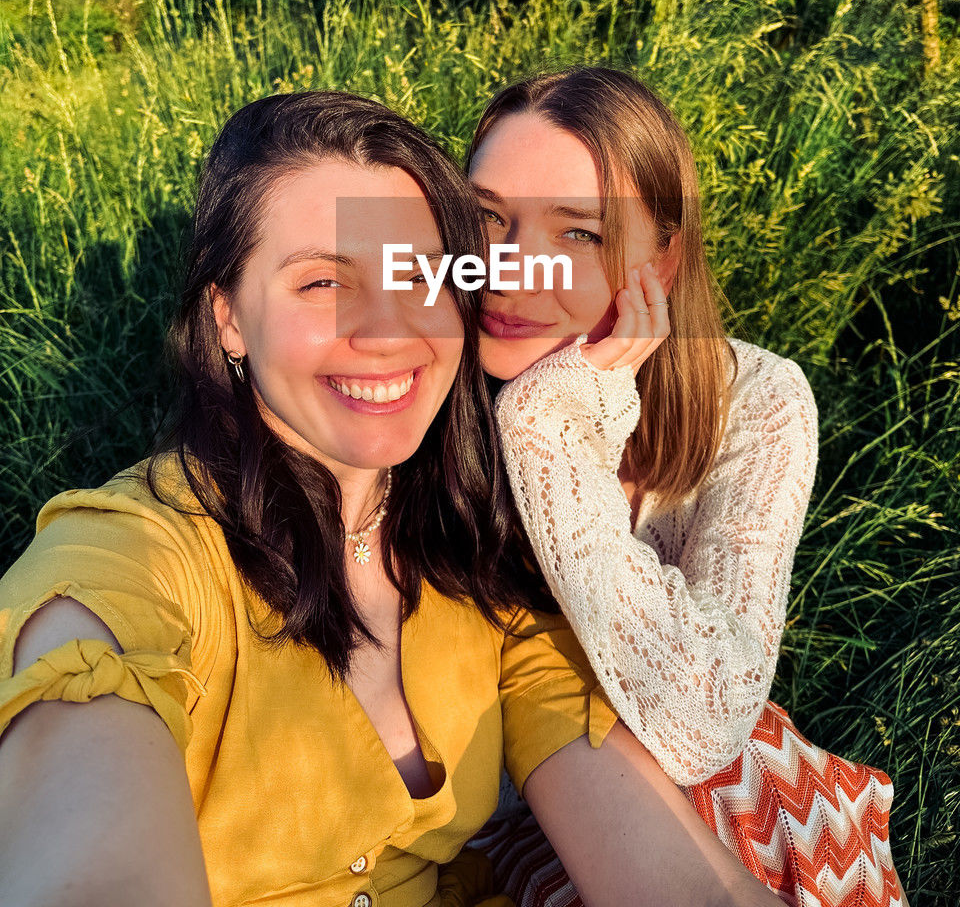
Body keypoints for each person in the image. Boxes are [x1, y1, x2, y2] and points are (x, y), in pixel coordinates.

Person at [0, 90, 781, 907]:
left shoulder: (470, 562)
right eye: (322, 282)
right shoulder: (140, 557)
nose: (386, 331)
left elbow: (685, 877)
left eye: (420, 275)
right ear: (228, 316)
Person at [466, 67, 907, 907]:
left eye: (581, 236)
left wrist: (548, 423)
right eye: (487, 219)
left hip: (712, 769)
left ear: (660, 263)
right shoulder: (404, 396)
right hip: (521, 799)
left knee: (738, 777)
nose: (512, 269)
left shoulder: (754, 399)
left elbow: (702, 716)